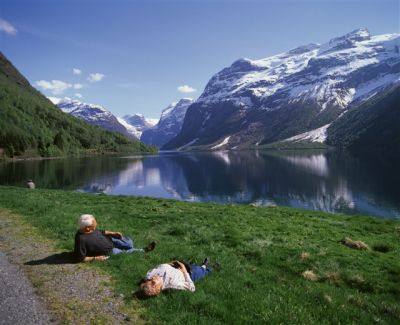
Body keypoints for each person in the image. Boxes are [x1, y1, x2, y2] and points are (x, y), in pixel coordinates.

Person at [74, 214, 155, 262]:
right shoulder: (81, 239)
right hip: (108, 251)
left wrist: (113, 233)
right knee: (125, 252)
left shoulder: (90, 229)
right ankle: (144, 250)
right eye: (94, 226)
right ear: (87, 228)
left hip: (111, 240)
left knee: (129, 244)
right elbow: (80, 258)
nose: (96, 226)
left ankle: (128, 245)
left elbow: (102, 232)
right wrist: (96, 258)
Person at [140, 258, 212, 297]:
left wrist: (171, 263)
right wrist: (184, 270)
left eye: (149, 280)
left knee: (185, 261)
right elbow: (192, 288)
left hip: (175, 265)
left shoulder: (150, 275)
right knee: (199, 270)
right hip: (188, 273)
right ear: (157, 288)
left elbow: (157, 267)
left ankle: (190, 263)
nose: (152, 278)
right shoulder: (173, 285)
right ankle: (205, 266)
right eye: (153, 282)